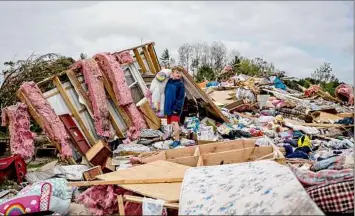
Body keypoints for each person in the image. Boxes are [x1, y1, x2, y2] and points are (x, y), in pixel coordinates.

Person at [164, 66, 185, 147]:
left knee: (174, 123)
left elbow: (181, 98)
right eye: (177, 72)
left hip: (176, 108)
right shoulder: (169, 82)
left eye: (180, 73)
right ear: (172, 73)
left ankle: (177, 140)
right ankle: (174, 138)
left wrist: (177, 108)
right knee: (172, 124)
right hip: (169, 107)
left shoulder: (180, 85)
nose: (179, 74)